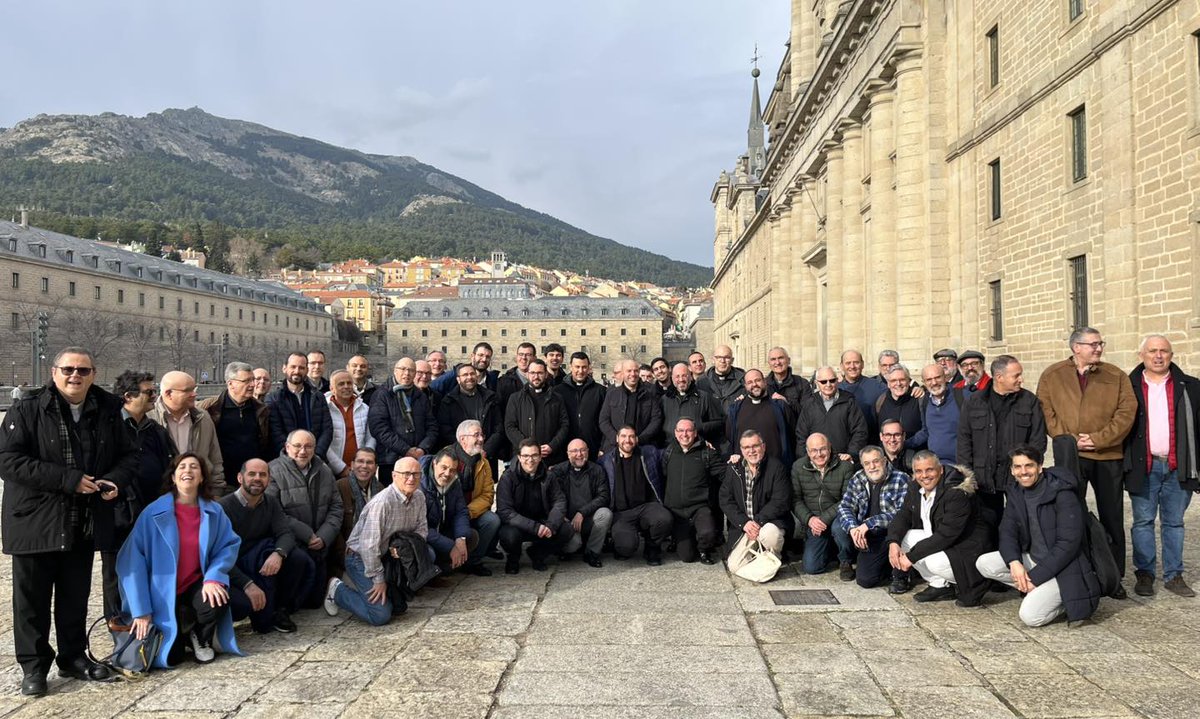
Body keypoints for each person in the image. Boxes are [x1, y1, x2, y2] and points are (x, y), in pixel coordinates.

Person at [0, 347, 137, 695]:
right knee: (30, 601)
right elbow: (8, 460)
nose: (75, 376)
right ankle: (34, 668)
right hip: (34, 519)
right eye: (68, 369)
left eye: (83, 370)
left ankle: (73, 657)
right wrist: (67, 479)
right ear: (54, 372)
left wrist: (114, 481)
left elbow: (128, 456)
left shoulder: (108, 410)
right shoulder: (27, 409)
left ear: (93, 374)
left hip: (83, 519)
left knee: (74, 596)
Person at [1037, 327, 1136, 597]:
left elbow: (1127, 412)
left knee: (1112, 517)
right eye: (1092, 344)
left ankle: (1114, 576)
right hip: (1070, 456)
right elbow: (1045, 410)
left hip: (1107, 456)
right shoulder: (1052, 375)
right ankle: (1079, 570)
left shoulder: (1115, 375)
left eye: (1100, 343)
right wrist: (1067, 438)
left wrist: (1100, 439)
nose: (1098, 348)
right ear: (1075, 347)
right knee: (1071, 514)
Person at [117, 452, 242, 667]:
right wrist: (141, 610)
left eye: (194, 467)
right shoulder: (152, 513)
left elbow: (228, 545)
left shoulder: (215, 511)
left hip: (194, 584)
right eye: (182, 467)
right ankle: (183, 629)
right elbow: (131, 561)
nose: (188, 471)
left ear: (202, 477)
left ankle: (200, 636)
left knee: (218, 597)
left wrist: (213, 577)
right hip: (159, 593)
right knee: (171, 658)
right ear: (173, 477)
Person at [976, 446, 1101, 626]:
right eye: (1018, 467)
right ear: (1012, 470)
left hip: (1064, 568)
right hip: (1035, 559)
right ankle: (1036, 589)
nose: (1023, 472)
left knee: (1030, 617)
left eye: (1029, 466)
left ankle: (1069, 600)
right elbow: (1007, 531)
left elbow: (1068, 544)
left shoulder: (1062, 493)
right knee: (984, 563)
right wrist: (1014, 563)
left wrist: (1035, 577)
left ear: (1040, 466)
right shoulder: (1016, 492)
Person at [1124, 335, 1200, 597]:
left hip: (1179, 465)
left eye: (1164, 351)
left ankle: (1174, 575)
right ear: (1141, 354)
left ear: (1171, 355)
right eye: (1153, 351)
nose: (1158, 356)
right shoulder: (1128, 386)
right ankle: (1145, 573)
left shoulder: (1190, 386)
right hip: (1143, 466)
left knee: (1174, 522)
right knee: (1143, 521)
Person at [324, 457, 427, 626]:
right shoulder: (383, 502)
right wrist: (379, 580)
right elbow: (368, 547)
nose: (411, 478)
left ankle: (363, 585)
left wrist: (404, 547)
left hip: (387, 554)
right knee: (381, 615)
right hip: (360, 558)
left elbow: (421, 529)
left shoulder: (419, 497)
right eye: (406, 474)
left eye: (416, 474)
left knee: (399, 608)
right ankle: (338, 590)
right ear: (394, 475)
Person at [220, 458, 315, 634]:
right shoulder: (223, 508)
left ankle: (281, 609)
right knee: (255, 618)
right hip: (234, 568)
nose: (257, 478)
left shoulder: (270, 502)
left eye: (262, 474)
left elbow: (285, 533)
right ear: (240, 478)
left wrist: (278, 554)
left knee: (297, 558)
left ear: (268, 480)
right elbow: (218, 557)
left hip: (262, 563)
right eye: (252, 474)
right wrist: (247, 584)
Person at [886, 452, 992, 606]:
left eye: (929, 470)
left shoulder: (956, 492)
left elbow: (947, 535)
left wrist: (911, 557)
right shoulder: (915, 487)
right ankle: (940, 585)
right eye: (919, 471)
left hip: (966, 549)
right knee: (904, 538)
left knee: (932, 561)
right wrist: (893, 542)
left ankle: (973, 582)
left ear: (941, 470)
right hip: (944, 542)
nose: (924, 476)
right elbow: (903, 515)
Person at [957, 355, 1046, 535]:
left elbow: (1038, 440)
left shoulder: (1029, 401)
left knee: (1023, 526)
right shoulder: (975, 402)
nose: (1021, 379)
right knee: (988, 528)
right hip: (983, 480)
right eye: (1016, 375)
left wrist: (1028, 469)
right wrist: (967, 476)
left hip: (1017, 479)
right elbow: (964, 440)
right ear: (999, 377)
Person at [267, 430, 343, 608]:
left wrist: (324, 536)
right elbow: (273, 512)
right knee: (294, 602)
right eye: (297, 446)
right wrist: (307, 534)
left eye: (308, 446)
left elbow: (336, 507)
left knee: (314, 603)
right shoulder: (273, 470)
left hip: (320, 543)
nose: (303, 451)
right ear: (287, 447)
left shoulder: (324, 470)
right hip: (290, 543)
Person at [834, 446, 910, 589]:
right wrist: (853, 528)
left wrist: (869, 523)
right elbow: (845, 506)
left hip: (894, 535)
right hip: (872, 537)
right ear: (862, 465)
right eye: (867, 463)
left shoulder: (901, 478)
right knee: (865, 580)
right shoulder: (859, 477)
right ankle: (885, 566)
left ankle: (901, 574)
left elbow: (903, 513)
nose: (872, 467)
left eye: (876, 461)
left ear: (885, 461)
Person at [496, 440, 574, 573]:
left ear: (540, 457)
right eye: (526, 456)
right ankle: (513, 558)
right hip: (516, 525)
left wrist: (551, 525)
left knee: (566, 529)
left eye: (534, 456)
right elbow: (505, 511)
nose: (530, 460)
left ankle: (538, 554)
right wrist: (534, 527)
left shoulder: (549, 476)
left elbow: (559, 502)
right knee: (509, 536)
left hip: (542, 522)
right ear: (519, 457)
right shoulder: (507, 478)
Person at [601, 427, 671, 565]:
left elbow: (672, 451)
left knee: (665, 519)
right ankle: (619, 544)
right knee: (626, 548)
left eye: (632, 436)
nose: (628, 440)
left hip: (647, 507)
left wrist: (700, 442)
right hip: (621, 513)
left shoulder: (649, 453)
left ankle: (652, 548)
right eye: (624, 436)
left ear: (636, 439)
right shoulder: (605, 461)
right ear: (617, 439)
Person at [720, 430, 793, 559]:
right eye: (747, 447)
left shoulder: (776, 467)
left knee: (770, 535)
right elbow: (725, 500)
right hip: (745, 527)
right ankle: (763, 562)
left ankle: (773, 558)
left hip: (769, 523)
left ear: (763, 446)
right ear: (741, 450)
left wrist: (758, 522)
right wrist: (745, 523)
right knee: (734, 565)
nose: (751, 451)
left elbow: (780, 501)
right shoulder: (734, 469)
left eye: (755, 446)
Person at [151, 370, 226, 494]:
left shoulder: (203, 418)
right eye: (188, 390)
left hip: (199, 495)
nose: (194, 394)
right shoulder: (149, 419)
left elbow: (215, 458)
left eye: (194, 389)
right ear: (169, 393)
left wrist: (216, 493)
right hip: (160, 497)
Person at [200, 362, 271, 493]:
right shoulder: (210, 409)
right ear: (231, 384)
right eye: (246, 381)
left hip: (253, 481)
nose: (252, 385)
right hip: (222, 482)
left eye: (252, 380)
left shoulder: (261, 410)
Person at [662, 419, 725, 564]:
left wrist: (737, 462)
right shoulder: (668, 452)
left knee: (708, 533)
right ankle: (680, 538)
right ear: (675, 433)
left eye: (689, 430)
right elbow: (663, 474)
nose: (685, 434)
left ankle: (704, 549)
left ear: (695, 433)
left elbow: (723, 474)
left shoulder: (707, 453)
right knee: (687, 557)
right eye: (681, 431)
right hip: (676, 511)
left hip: (699, 508)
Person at [791, 433, 854, 575]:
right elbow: (795, 499)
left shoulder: (844, 466)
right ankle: (830, 550)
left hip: (838, 517)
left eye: (823, 449)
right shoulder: (798, 467)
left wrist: (823, 519)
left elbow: (847, 499)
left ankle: (846, 560)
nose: (819, 454)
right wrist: (810, 519)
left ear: (830, 449)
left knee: (839, 528)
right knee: (811, 568)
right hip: (814, 521)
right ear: (807, 451)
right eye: (814, 450)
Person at [368, 357, 439, 484]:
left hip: (418, 458)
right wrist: (406, 450)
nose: (406, 373)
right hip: (391, 459)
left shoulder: (420, 396)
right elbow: (378, 428)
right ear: (395, 371)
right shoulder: (382, 394)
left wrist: (422, 449)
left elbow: (432, 426)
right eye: (403, 369)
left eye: (411, 370)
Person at [445, 420, 499, 575]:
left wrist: (468, 511)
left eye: (482, 434)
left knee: (492, 520)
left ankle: (473, 561)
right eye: (476, 435)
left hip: (470, 511)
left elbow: (488, 494)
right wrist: (457, 514)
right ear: (463, 439)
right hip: (448, 513)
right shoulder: (446, 458)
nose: (481, 439)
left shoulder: (483, 462)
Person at [551, 439, 611, 568]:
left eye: (583, 450)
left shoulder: (597, 470)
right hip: (567, 522)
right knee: (574, 545)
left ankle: (592, 552)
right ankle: (566, 550)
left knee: (605, 514)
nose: (579, 454)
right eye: (574, 451)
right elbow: (552, 498)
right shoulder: (558, 471)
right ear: (567, 454)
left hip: (588, 518)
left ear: (588, 452)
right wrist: (561, 517)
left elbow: (603, 496)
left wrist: (582, 512)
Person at [420, 448, 478, 573]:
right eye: (444, 467)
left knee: (471, 536)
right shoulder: (420, 485)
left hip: (443, 530)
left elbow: (461, 511)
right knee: (429, 553)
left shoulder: (454, 482)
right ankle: (432, 572)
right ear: (435, 463)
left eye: (452, 470)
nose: (447, 474)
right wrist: (451, 546)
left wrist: (460, 539)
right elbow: (421, 527)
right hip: (424, 536)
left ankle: (449, 566)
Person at [794, 366, 867, 463]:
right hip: (816, 462)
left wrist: (851, 454)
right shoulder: (809, 404)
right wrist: (805, 460)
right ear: (816, 383)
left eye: (832, 380)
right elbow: (801, 435)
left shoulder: (849, 401)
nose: (828, 384)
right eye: (823, 382)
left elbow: (860, 431)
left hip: (842, 462)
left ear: (837, 381)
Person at [266, 352, 333, 458]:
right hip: (287, 461)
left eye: (301, 368)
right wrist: (293, 455)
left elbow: (327, 429)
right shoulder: (274, 399)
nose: (297, 371)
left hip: (316, 458)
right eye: (293, 367)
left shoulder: (318, 397)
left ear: (306, 370)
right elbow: (276, 432)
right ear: (284, 368)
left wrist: (316, 454)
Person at [504, 359, 570, 465]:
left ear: (546, 374)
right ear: (527, 374)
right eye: (533, 373)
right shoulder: (515, 398)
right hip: (525, 458)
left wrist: (552, 446)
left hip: (551, 458)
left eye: (540, 373)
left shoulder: (557, 398)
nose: (536, 376)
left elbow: (564, 425)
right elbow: (510, 426)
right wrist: (527, 447)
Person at [334, 447, 384, 577]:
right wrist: (343, 554)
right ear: (352, 465)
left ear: (375, 467)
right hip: (347, 553)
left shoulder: (381, 490)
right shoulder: (339, 486)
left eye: (369, 462)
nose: (364, 466)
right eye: (360, 461)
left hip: (374, 552)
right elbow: (335, 526)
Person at [437, 362, 503, 461]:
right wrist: (463, 449)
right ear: (458, 379)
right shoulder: (448, 401)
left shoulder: (490, 398)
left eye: (472, 374)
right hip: (459, 457)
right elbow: (445, 428)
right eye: (465, 375)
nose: (469, 377)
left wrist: (486, 449)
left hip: (487, 455)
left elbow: (498, 427)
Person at [726, 369, 794, 465]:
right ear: (745, 386)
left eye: (757, 380)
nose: (754, 384)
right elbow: (730, 435)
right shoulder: (736, 408)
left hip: (776, 467)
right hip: (745, 467)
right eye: (750, 382)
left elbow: (792, 434)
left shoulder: (779, 406)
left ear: (765, 382)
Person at [599, 358, 663, 454]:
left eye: (636, 371)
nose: (633, 374)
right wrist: (616, 438)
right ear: (623, 373)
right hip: (615, 448)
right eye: (629, 371)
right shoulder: (612, 394)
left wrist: (639, 439)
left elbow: (656, 420)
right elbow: (604, 420)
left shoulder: (650, 394)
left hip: (642, 448)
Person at [554, 351, 607, 461]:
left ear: (588, 368)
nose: (580, 371)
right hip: (565, 448)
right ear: (571, 367)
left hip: (593, 448)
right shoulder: (558, 391)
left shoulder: (600, 391)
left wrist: (603, 446)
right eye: (577, 367)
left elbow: (605, 419)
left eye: (584, 367)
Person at [661, 362, 725, 450]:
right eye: (677, 376)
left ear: (690, 377)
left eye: (684, 375)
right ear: (672, 379)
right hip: (671, 449)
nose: (681, 379)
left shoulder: (704, 397)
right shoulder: (665, 399)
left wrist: (698, 427)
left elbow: (718, 423)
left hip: (698, 448)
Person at [326, 369, 375, 480]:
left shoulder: (364, 408)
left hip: (360, 469)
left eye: (349, 383)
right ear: (332, 388)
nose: (346, 386)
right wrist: (341, 468)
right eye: (341, 384)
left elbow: (371, 436)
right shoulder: (324, 409)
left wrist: (364, 462)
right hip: (332, 470)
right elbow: (324, 443)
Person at [910, 363, 962, 465]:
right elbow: (926, 432)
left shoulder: (961, 397)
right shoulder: (925, 401)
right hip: (936, 465)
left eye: (937, 377)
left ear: (945, 377)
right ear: (924, 382)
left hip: (960, 465)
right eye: (929, 380)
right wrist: (903, 444)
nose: (934, 382)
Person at [839, 349, 885, 438]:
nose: (852, 366)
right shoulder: (835, 389)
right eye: (848, 363)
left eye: (856, 362)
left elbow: (897, 392)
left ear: (862, 364)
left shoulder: (876, 386)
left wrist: (916, 390)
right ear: (841, 366)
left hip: (871, 440)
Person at [875, 365, 923, 448]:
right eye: (893, 380)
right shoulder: (880, 401)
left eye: (902, 380)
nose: (898, 384)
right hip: (888, 455)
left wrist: (905, 445)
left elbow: (927, 430)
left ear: (908, 381)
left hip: (915, 454)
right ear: (888, 384)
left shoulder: (919, 399)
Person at [766, 346, 811, 417]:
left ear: (789, 360)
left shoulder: (802, 384)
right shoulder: (763, 385)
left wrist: (787, 402)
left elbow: (807, 413)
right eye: (773, 359)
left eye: (781, 358)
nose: (777, 362)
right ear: (769, 363)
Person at [698, 345, 746, 411]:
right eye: (718, 357)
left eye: (727, 357)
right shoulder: (701, 382)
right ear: (713, 360)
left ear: (732, 360)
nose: (722, 361)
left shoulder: (744, 380)